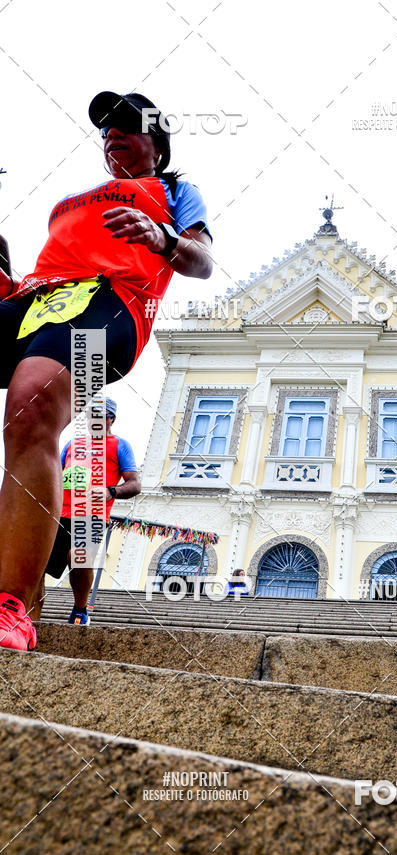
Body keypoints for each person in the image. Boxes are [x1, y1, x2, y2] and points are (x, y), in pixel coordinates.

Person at [0, 91, 213, 650]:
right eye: (105, 128)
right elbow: (50, 269)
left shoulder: (173, 191)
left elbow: (203, 262)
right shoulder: (70, 200)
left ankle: (17, 607)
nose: (113, 133)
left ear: (157, 143)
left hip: (112, 302)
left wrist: (162, 237)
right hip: (38, 298)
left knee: (31, 404)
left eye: (128, 124)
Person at [34, 397, 140, 625]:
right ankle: (32, 615)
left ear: (111, 419)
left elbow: (135, 484)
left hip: (91, 515)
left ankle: (80, 609)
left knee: (78, 557)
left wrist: (112, 491)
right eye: (91, 415)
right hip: (60, 513)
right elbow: (57, 475)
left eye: (100, 415)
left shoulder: (120, 445)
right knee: (38, 563)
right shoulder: (72, 444)